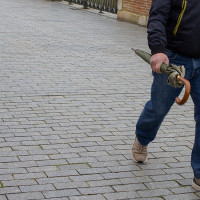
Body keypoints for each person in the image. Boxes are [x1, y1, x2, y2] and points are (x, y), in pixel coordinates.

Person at [132, 0, 200, 191]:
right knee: (158, 108)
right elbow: (158, 15)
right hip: (174, 59)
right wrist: (158, 50)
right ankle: (142, 138)